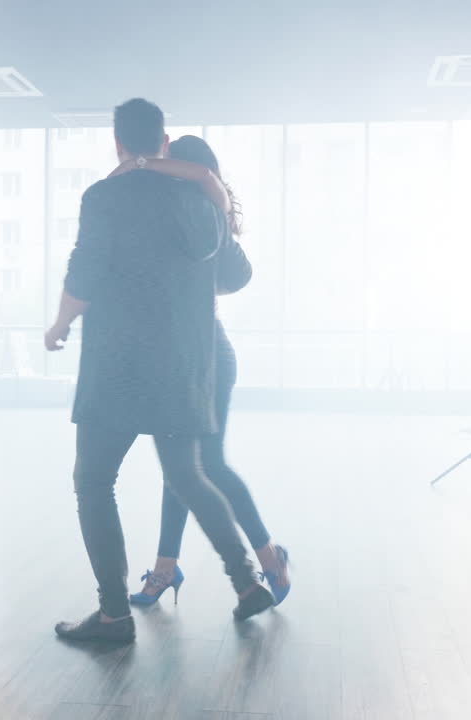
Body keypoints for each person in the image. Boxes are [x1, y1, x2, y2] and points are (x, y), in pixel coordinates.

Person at [46, 99, 275, 644]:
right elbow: (230, 271)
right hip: (182, 366)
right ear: (164, 141)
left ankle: (113, 616)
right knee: (189, 475)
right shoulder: (198, 198)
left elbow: (85, 271)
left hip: (119, 367)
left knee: (94, 482)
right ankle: (246, 583)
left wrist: (58, 323)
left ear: (118, 143)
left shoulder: (104, 196)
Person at [104, 136, 291, 609]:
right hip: (180, 359)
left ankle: (268, 557)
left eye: (177, 171)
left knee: (206, 466)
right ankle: (168, 568)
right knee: (181, 469)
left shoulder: (207, 223)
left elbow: (235, 271)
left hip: (207, 356)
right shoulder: (175, 221)